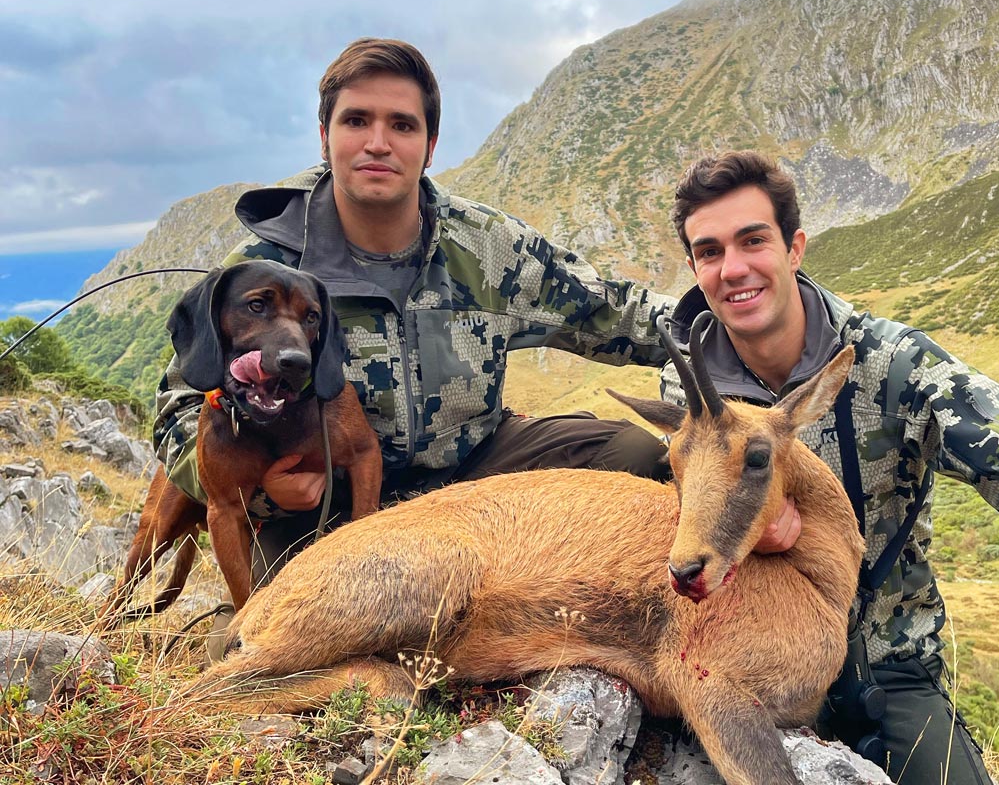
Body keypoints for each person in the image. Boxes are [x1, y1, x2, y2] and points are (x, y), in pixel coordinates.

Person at [661, 150, 999, 784]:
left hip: (890, 663)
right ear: (696, 268)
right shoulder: (687, 391)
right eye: (709, 251)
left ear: (794, 247)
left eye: (753, 240)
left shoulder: (893, 364)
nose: (734, 268)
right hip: (753, 646)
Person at [152, 37, 678, 588]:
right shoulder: (265, 271)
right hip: (327, 503)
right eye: (356, 120)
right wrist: (261, 491)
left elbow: (612, 312)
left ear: (429, 147)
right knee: (283, 644)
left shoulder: (489, 245)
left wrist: (728, 317)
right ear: (325, 136)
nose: (378, 143)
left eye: (402, 125)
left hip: (476, 468)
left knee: (637, 455)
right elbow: (176, 408)